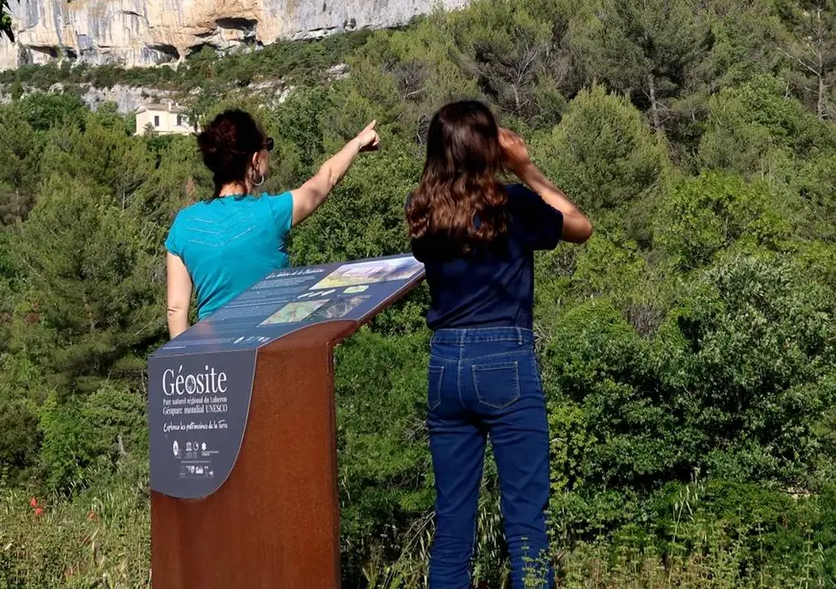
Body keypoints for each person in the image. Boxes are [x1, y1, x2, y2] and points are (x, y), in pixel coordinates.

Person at [407, 100, 592, 589]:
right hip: (505, 360)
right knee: (527, 525)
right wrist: (525, 167)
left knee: (452, 527)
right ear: (488, 148)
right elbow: (580, 227)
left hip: (445, 364)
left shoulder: (422, 211)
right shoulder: (511, 205)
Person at [165, 109, 380, 336]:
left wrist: (185, 356)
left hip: (214, 354)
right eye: (268, 146)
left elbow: (176, 310)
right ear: (255, 160)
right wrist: (357, 143)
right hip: (271, 344)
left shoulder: (184, 224)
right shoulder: (272, 213)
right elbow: (326, 178)